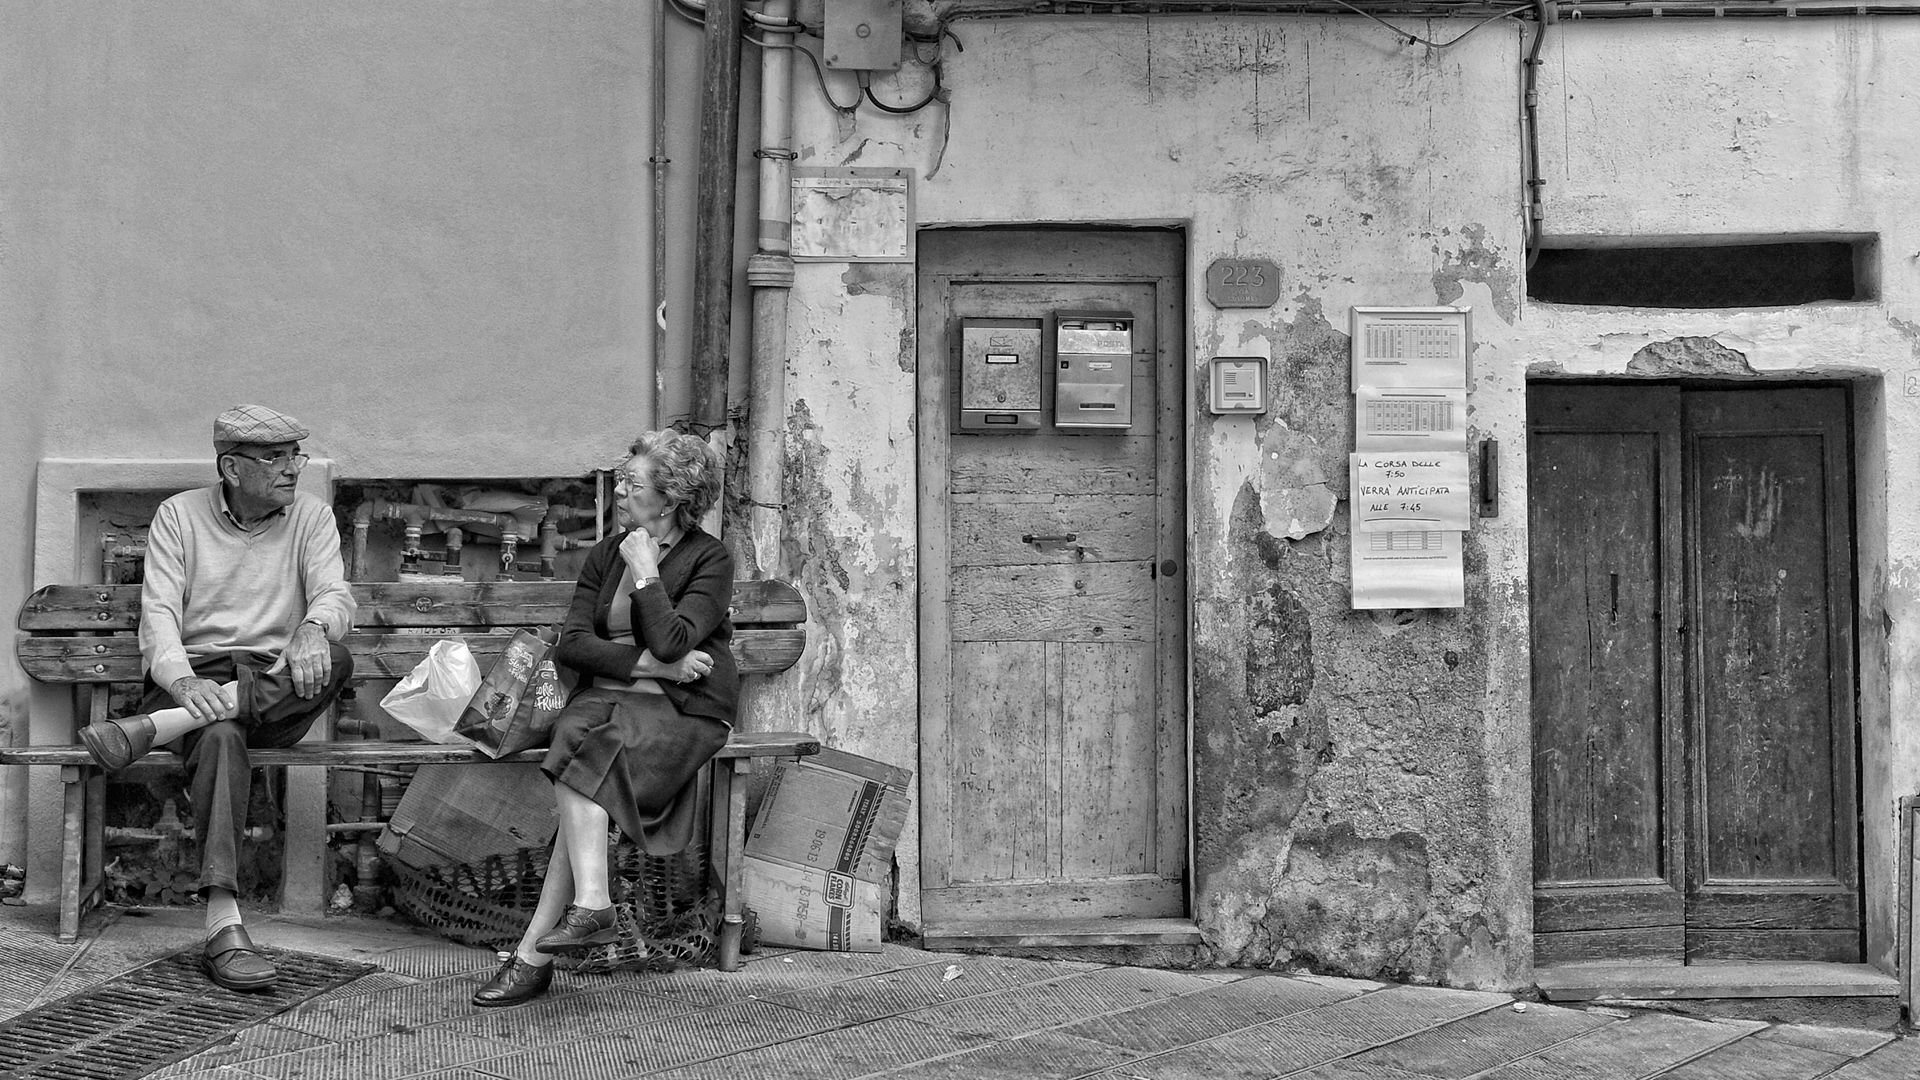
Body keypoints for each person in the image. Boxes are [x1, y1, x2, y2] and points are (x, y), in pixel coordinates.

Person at [73, 404, 356, 993]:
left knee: (338, 656)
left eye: (294, 455)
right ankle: (224, 924)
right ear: (231, 467)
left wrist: (313, 628)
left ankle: (156, 727)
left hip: (277, 682)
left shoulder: (312, 516)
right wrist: (182, 684)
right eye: (274, 457)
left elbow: (333, 593)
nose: (291, 469)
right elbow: (159, 616)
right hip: (195, 678)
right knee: (223, 734)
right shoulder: (178, 516)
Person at [473, 430, 737, 1008]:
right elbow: (573, 644)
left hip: (683, 713)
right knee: (579, 736)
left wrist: (645, 573)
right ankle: (590, 904)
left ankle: (536, 955)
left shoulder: (709, 559)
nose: (618, 489)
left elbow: (675, 640)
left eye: (632, 483)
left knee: (585, 752)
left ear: (669, 500)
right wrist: (654, 667)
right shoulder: (603, 552)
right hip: (620, 697)